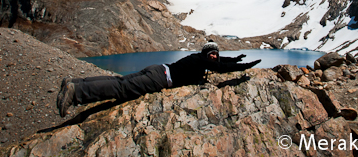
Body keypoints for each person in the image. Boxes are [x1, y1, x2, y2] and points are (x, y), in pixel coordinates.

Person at [57, 41, 261, 117]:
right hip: (160, 79)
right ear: (206, 55)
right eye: (212, 54)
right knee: (121, 89)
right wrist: (245, 66)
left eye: (216, 53)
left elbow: (220, 61)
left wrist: (237, 57)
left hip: (158, 69)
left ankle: (75, 83)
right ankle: (76, 93)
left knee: (121, 82)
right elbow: (222, 67)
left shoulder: (200, 58)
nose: (215, 56)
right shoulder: (204, 61)